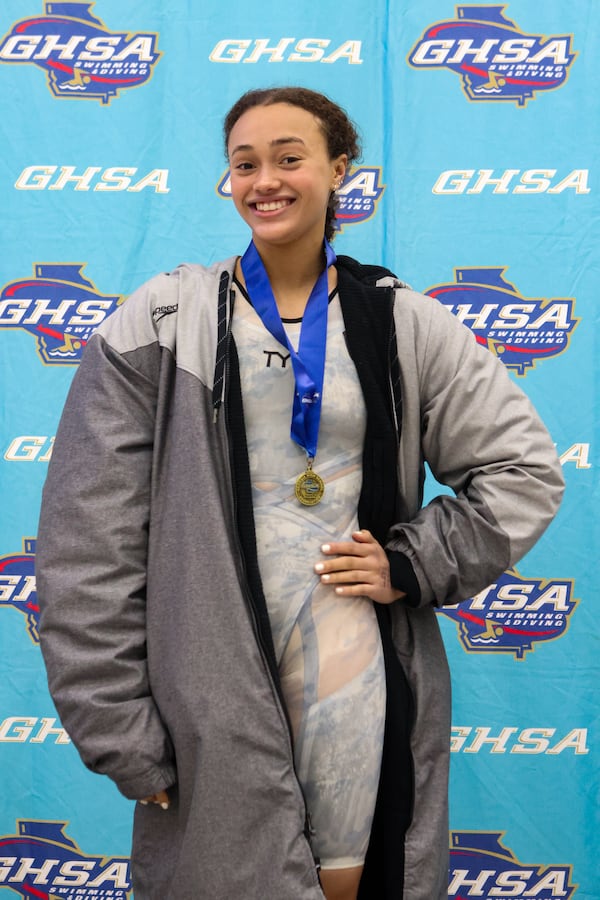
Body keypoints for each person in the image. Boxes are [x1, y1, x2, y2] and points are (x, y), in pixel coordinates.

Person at [36, 86, 564, 900]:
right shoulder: (160, 321)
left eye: (290, 157)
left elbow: (524, 470)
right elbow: (86, 543)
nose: (265, 180)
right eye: (245, 163)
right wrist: (119, 729)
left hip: (359, 682)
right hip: (208, 702)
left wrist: (411, 560)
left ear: (338, 170)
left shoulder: (403, 322)